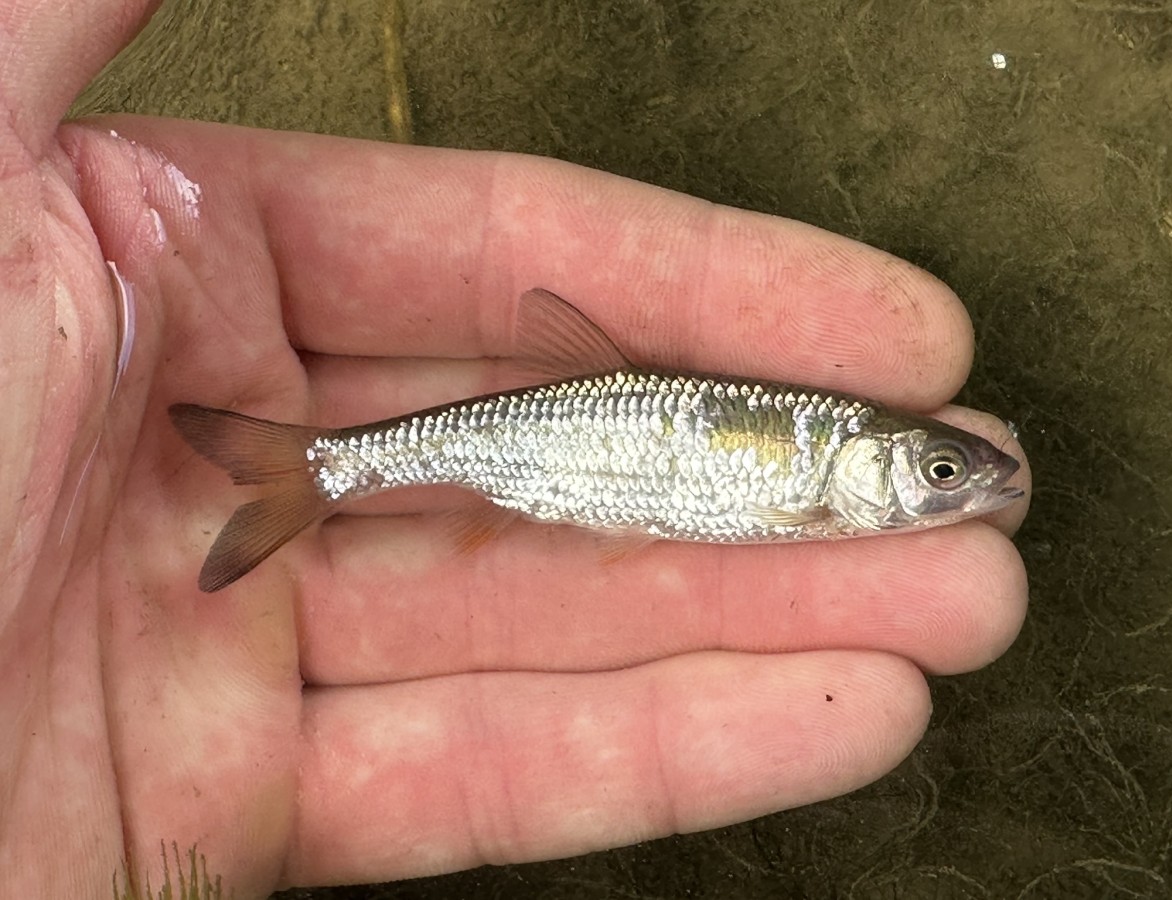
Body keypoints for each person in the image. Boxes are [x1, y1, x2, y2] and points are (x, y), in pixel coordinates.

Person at [0, 1, 1029, 896]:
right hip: (551, 449)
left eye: (942, 474)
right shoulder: (818, 475)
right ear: (872, 460)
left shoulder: (831, 463)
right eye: (940, 474)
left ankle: (316, 468)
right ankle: (314, 468)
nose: (950, 484)